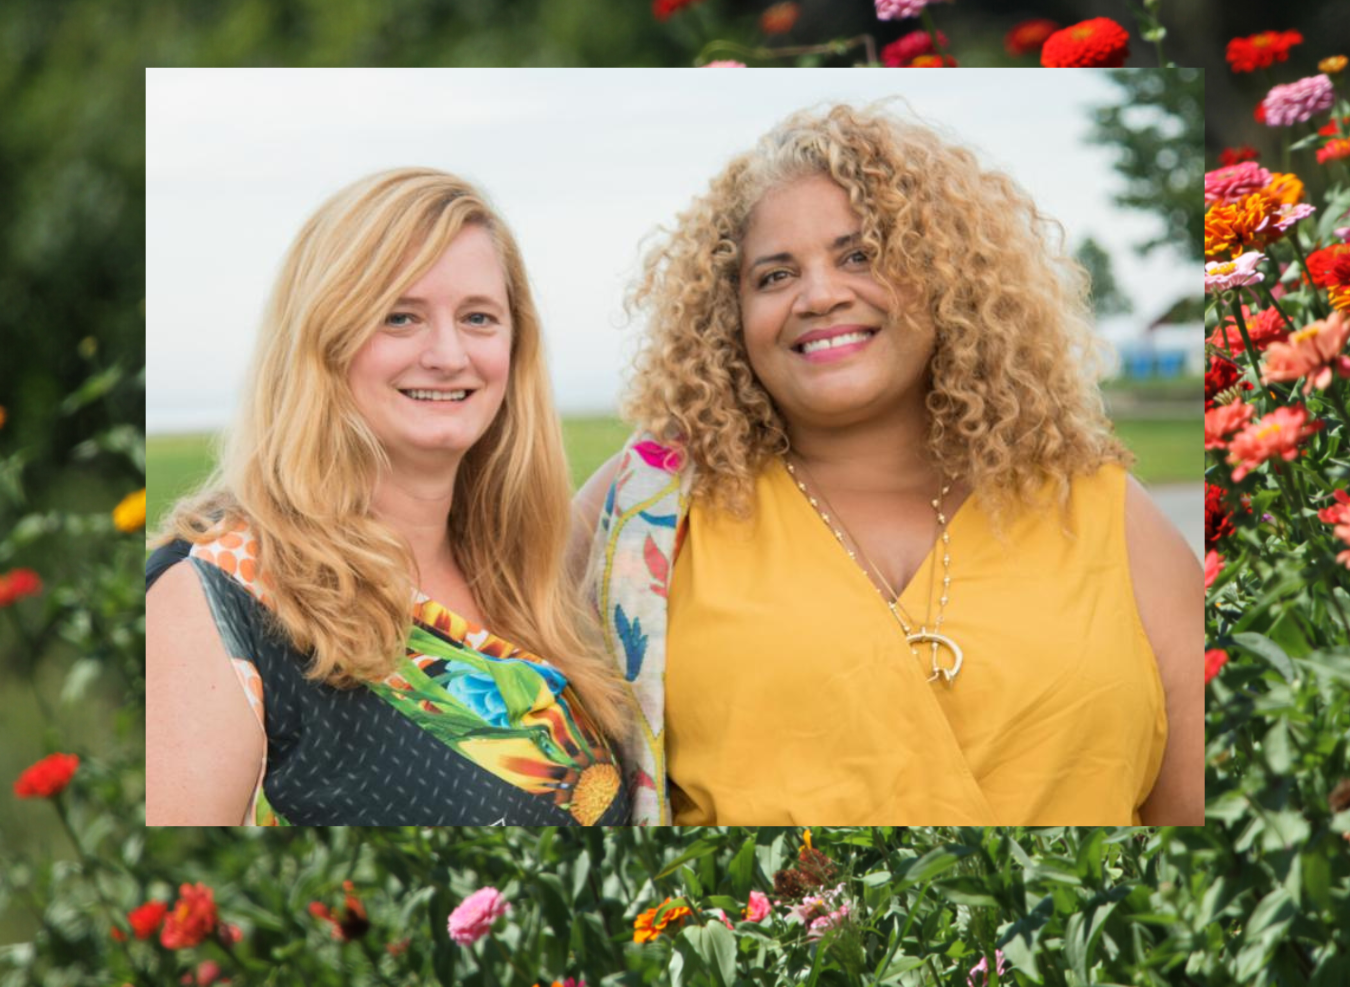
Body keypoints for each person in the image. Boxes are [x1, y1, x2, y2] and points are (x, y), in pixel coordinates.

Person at [574, 102, 1203, 826]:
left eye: (861, 254)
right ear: (728, 318)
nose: (819, 295)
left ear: (949, 275)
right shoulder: (653, 499)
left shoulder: (1104, 511)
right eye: (775, 276)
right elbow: (483, 633)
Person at [147, 168, 629, 825]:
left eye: (479, 317)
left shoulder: (529, 576)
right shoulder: (216, 593)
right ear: (322, 338)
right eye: (400, 317)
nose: (448, 353)